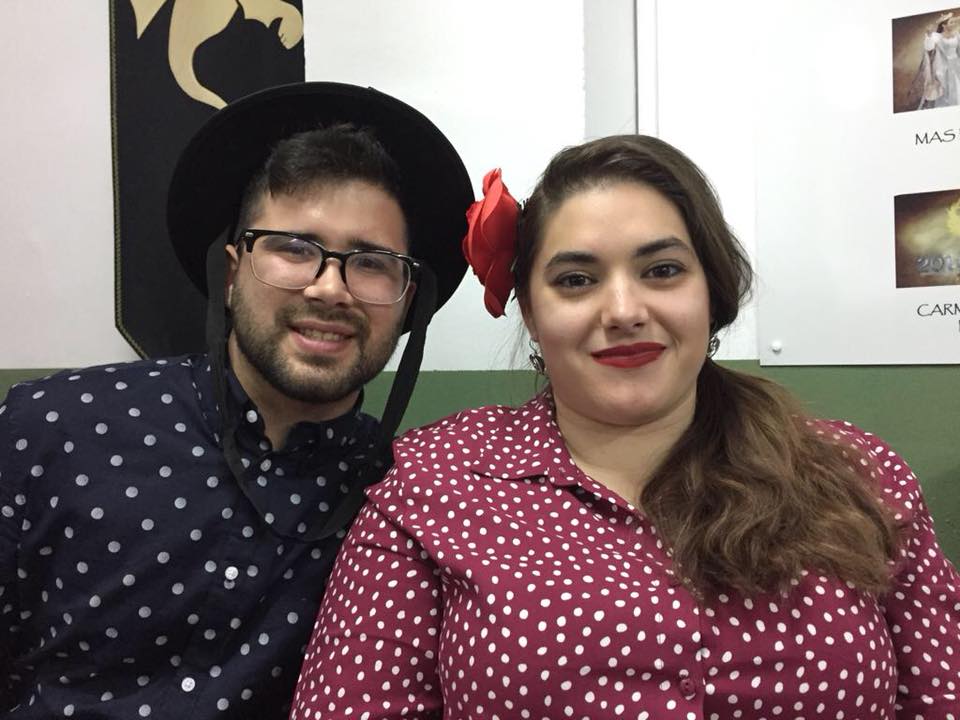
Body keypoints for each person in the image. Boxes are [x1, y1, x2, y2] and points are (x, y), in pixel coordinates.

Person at [291, 135, 960, 719]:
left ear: (711, 290)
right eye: (576, 280)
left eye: (662, 271)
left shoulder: (859, 475)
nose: (623, 309)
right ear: (531, 313)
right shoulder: (433, 484)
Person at [0, 82, 473, 718]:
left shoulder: (408, 501)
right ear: (231, 273)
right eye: (295, 248)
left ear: (407, 300)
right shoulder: (50, 428)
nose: (330, 288)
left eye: (370, 262)